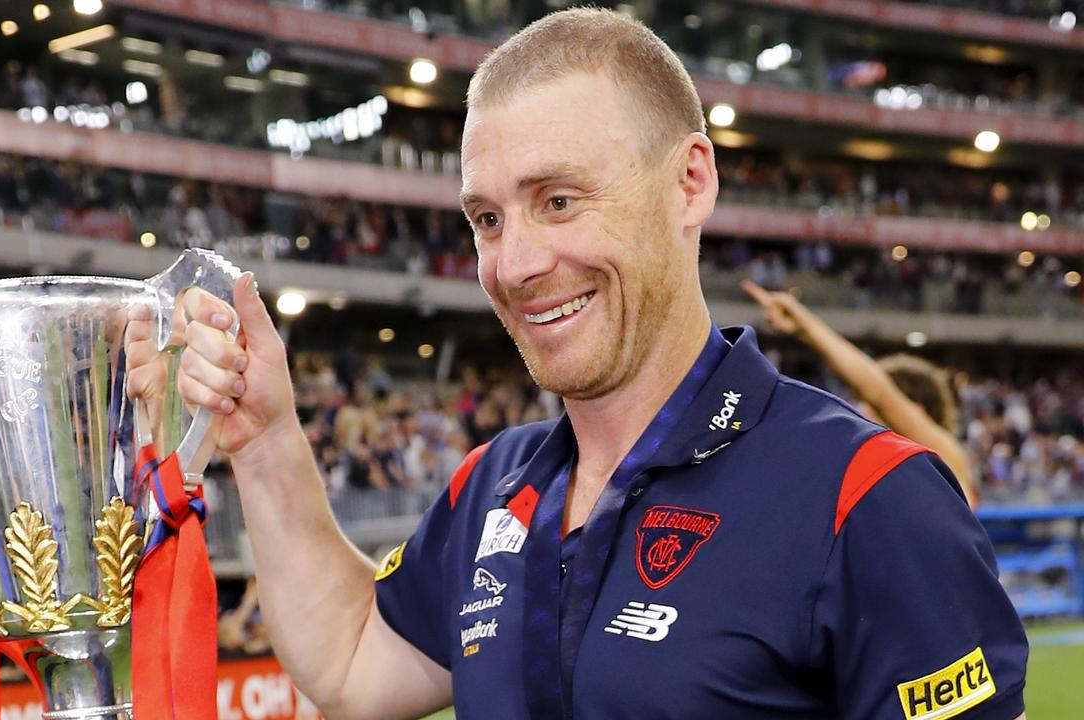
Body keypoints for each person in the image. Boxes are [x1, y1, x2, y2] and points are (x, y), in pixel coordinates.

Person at [153, 9, 1028, 719]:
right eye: (488, 219)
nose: (515, 263)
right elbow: (348, 662)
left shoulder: (868, 497)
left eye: (559, 200)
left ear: (690, 183)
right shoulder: (489, 488)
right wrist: (264, 441)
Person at [742, 280, 979, 507]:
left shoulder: (944, 453)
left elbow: (879, 391)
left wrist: (805, 326)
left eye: (871, 406)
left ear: (915, 409)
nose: (860, 410)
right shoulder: (887, 469)